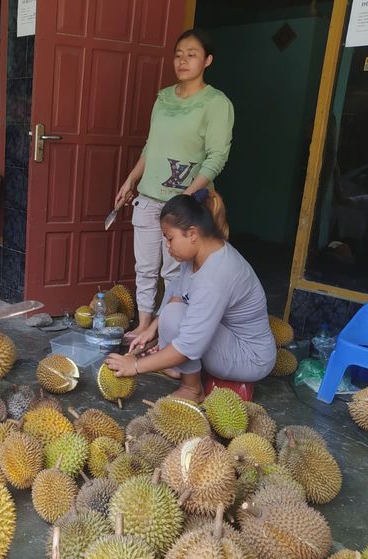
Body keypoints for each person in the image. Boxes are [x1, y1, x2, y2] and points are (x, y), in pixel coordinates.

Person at [113, 29, 234, 341]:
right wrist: (131, 180)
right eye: (179, 54)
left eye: (192, 54)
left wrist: (189, 195)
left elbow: (217, 156)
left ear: (207, 60)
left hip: (183, 204)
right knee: (145, 267)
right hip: (148, 197)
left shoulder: (216, 103)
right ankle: (142, 325)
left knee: (173, 272)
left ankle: (164, 331)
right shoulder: (163, 97)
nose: (183, 60)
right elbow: (150, 147)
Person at [104, 191, 275, 402]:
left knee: (175, 317)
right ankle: (179, 370)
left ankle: (192, 389)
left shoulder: (217, 274)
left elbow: (187, 345)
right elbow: (177, 296)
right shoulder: (196, 258)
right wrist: (150, 329)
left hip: (250, 357)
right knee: (172, 309)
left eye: (170, 238)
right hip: (228, 338)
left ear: (192, 233)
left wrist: (135, 365)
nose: (167, 246)